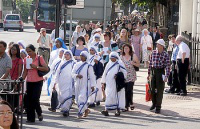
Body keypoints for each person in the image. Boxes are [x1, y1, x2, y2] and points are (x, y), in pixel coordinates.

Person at [22, 44, 49, 123]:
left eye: (30, 51)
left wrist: (36, 67)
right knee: (28, 100)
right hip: (29, 81)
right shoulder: (26, 59)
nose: (28, 53)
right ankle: (30, 118)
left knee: (35, 98)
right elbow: (25, 72)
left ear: (34, 51)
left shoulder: (39, 58)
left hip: (38, 81)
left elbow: (46, 68)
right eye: (27, 52)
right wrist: (21, 79)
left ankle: (39, 112)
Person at [147, 39, 170, 113]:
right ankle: (154, 103)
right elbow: (150, 63)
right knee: (152, 89)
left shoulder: (166, 54)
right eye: (157, 44)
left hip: (161, 72)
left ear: (162, 46)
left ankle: (158, 106)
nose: (157, 45)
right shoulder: (153, 53)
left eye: (158, 44)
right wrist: (149, 73)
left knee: (160, 90)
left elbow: (167, 66)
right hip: (154, 71)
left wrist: (166, 76)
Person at [101, 52, 127, 116]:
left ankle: (117, 111)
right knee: (108, 95)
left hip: (116, 84)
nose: (112, 59)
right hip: (109, 83)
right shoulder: (108, 64)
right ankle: (106, 110)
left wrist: (118, 76)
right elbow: (105, 73)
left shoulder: (119, 63)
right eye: (111, 58)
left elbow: (124, 72)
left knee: (117, 96)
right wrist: (103, 82)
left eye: (113, 58)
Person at [72, 51, 96, 118]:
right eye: (81, 56)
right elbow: (72, 73)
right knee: (77, 99)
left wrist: (92, 85)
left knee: (81, 98)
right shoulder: (76, 64)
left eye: (83, 56)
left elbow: (92, 76)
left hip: (85, 85)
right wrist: (77, 75)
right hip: (77, 84)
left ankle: (80, 113)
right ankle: (86, 110)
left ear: (86, 57)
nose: (81, 57)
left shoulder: (89, 66)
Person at [54, 50, 76, 117]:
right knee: (61, 96)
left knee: (68, 95)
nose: (66, 56)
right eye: (65, 54)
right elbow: (57, 73)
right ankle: (63, 108)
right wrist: (55, 82)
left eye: (67, 54)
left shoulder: (73, 63)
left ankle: (66, 110)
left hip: (69, 82)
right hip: (61, 82)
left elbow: (75, 73)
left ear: (70, 55)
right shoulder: (61, 63)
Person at [121, 44, 140, 111]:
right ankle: (128, 104)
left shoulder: (133, 56)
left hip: (131, 75)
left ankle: (129, 104)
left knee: (129, 89)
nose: (126, 50)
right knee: (125, 90)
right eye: (124, 48)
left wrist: (134, 63)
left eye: (127, 48)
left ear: (130, 49)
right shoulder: (121, 57)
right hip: (124, 76)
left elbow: (138, 64)